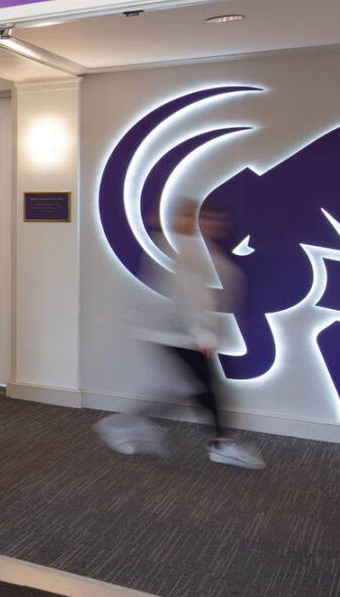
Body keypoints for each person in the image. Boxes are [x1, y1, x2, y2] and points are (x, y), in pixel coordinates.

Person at [96, 197, 265, 469]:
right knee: (204, 388)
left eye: (215, 220)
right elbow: (190, 295)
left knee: (196, 388)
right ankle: (219, 443)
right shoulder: (187, 249)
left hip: (175, 332)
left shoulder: (191, 247)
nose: (213, 224)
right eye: (204, 219)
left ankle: (129, 423)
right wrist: (204, 334)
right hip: (178, 332)